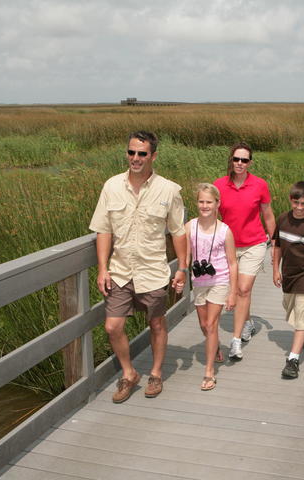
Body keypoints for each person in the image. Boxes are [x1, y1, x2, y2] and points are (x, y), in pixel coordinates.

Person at [89, 131, 188, 403]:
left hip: (153, 271)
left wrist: (181, 268)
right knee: (112, 326)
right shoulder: (111, 186)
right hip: (120, 271)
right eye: (131, 152)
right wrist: (102, 268)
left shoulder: (169, 190)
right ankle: (129, 373)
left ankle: (155, 374)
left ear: (153, 156)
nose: (135, 158)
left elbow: (178, 232)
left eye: (142, 153)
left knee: (156, 323)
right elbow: (103, 230)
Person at [214, 143, 276, 360]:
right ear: (231, 160)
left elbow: (267, 215)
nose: (240, 164)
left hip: (254, 244)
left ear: (250, 162)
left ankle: (236, 340)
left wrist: (274, 242)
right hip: (228, 246)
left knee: (243, 289)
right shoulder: (219, 186)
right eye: (236, 159)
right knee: (238, 291)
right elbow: (212, 218)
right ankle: (248, 321)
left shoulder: (259, 185)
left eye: (244, 160)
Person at [185, 183, 238, 390]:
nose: (205, 205)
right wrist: (181, 273)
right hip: (199, 281)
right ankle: (214, 346)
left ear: (217, 204)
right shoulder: (190, 227)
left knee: (211, 324)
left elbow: (233, 263)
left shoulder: (225, 231)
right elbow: (186, 255)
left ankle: (208, 372)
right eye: (201, 201)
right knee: (203, 325)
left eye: (209, 202)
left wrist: (232, 292)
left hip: (220, 280)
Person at [272, 181, 304, 379]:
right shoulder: (283, 219)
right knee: (290, 309)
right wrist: (275, 270)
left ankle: (293, 360)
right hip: (288, 274)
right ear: (290, 200)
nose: (300, 208)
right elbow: (277, 246)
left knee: (301, 316)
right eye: (296, 203)